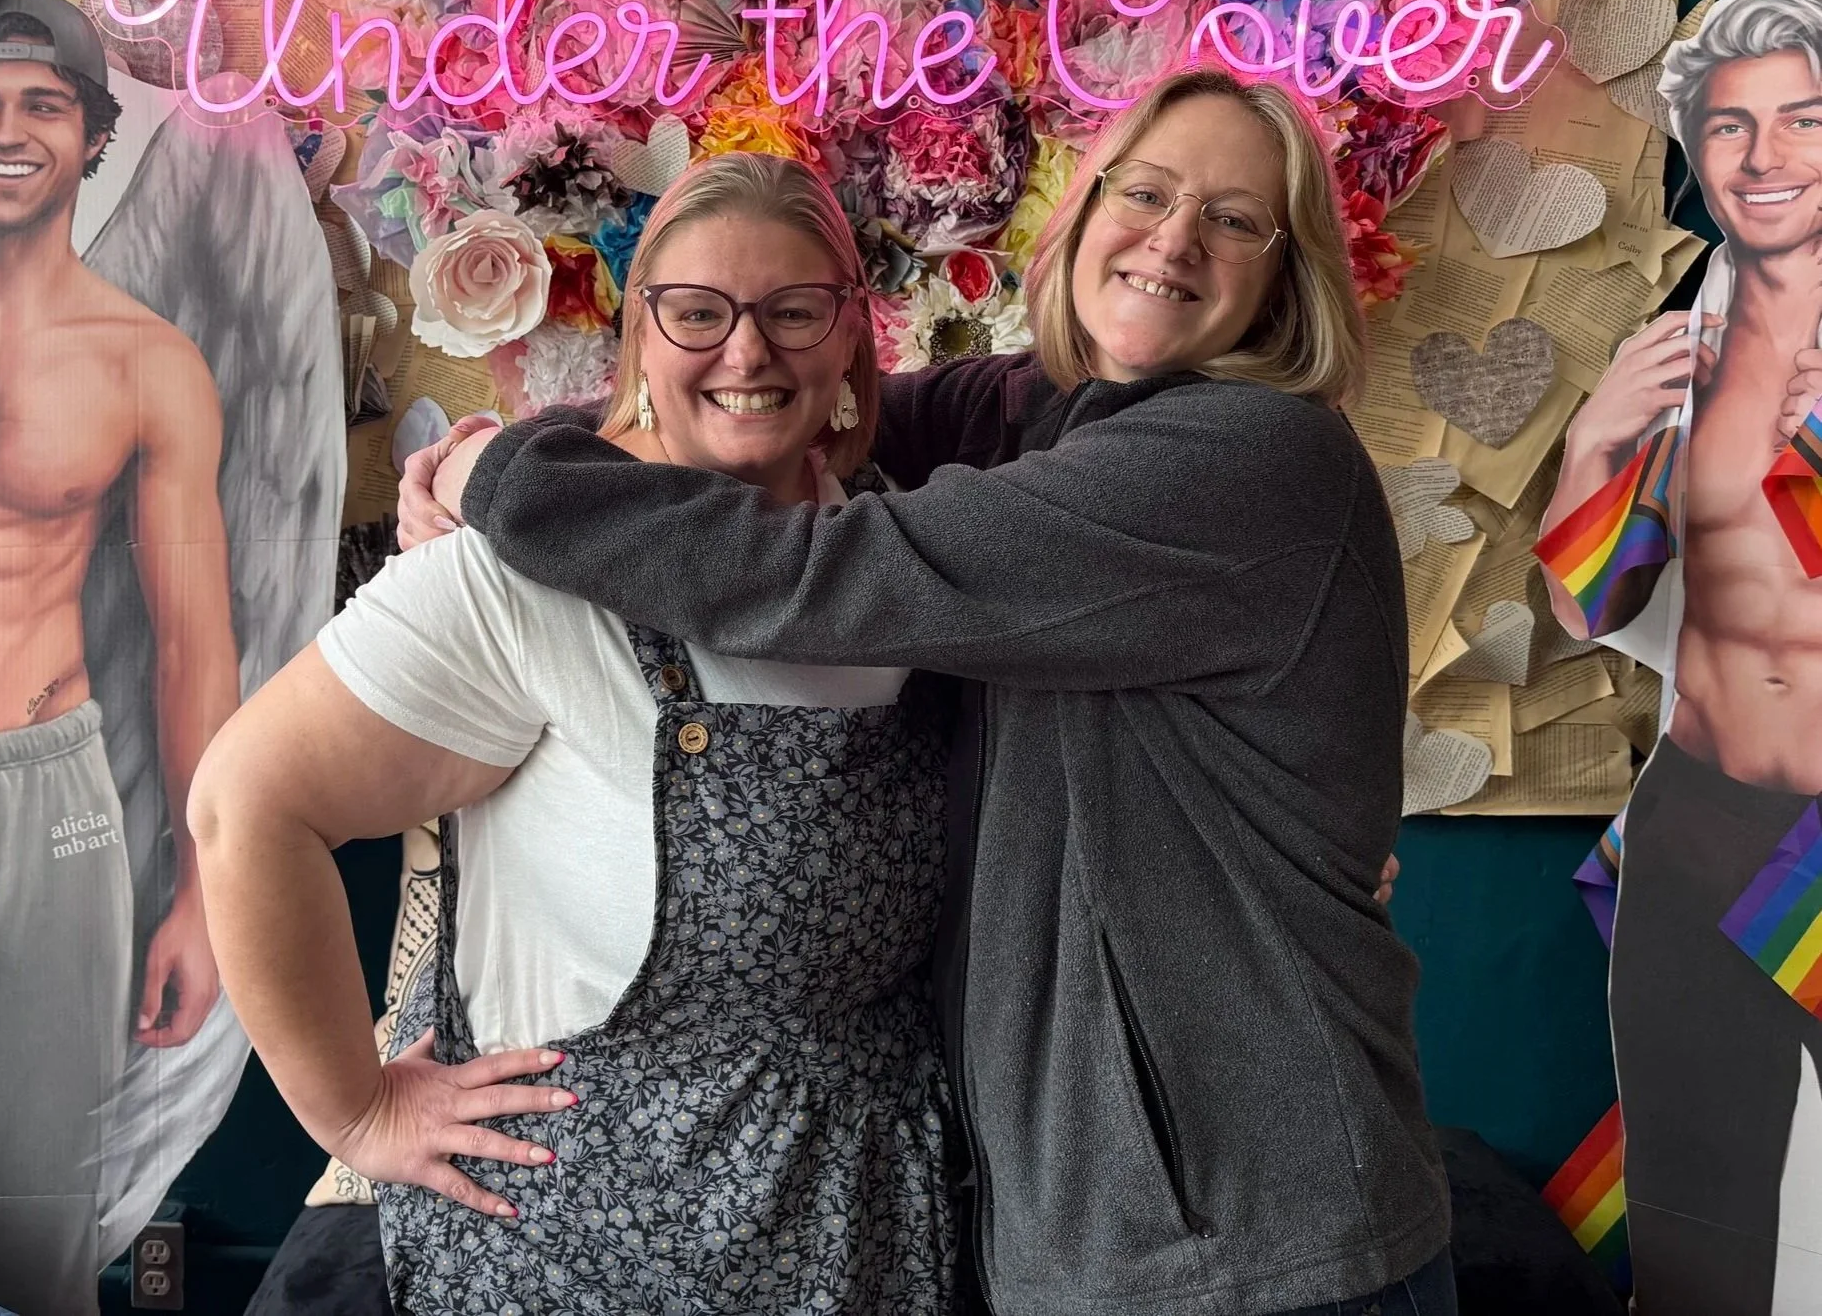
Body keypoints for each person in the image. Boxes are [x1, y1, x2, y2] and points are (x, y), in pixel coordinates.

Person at [405, 68, 1453, 1316]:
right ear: (1086, 208)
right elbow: (772, 397)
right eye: (1148, 193)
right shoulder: (1041, 413)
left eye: (1233, 219)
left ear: (1286, 278)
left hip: (1255, 1242)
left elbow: (817, 572)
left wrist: (505, 483)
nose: (1174, 239)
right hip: (1109, 1228)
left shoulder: (1251, 459)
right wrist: (534, 441)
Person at [190, 153, 957, 1315]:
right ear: (640, 334)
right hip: (573, 1259)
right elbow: (244, 803)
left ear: (853, 332)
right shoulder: (519, 578)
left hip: (860, 1246)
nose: (748, 352)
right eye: (698, 312)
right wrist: (357, 1111)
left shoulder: (903, 555)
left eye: (795, 311)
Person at [0, 0, 236, 1316]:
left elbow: (191, 642)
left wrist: (201, 892)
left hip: (46, 793)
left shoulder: (147, 363)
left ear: (95, 135)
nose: (5, 130)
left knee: (40, 1233)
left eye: (43, 104)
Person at [1538, 0, 1822, 1314]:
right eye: (1728, 126)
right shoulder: (1678, 347)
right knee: (1694, 1244)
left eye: (1801, 120)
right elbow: (1583, 609)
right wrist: (1592, 438)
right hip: (1695, 819)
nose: (1762, 156)